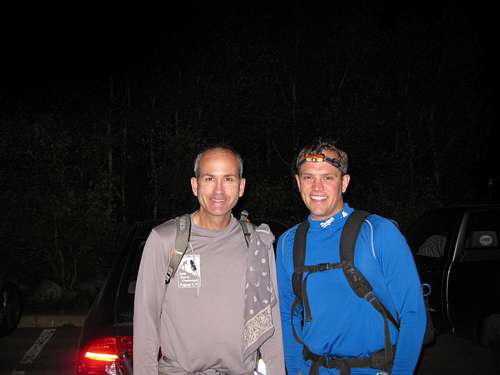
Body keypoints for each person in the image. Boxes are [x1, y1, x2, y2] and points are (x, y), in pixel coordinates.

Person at [276, 139, 426, 375]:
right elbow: (288, 314)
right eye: (308, 177)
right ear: (298, 182)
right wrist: (295, 369)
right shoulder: (288, 243)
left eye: (328, 177)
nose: (317, 187)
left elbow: (413, 313)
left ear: (344, 182)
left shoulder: (378, 232)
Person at [133, 145, 285, 375]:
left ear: (241, 186)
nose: (219, 191)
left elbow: (270, 320)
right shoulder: (166, 240)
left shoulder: (256, 243)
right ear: (195, 185)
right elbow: (146, 323)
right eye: (209, 179)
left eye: (228, 179)